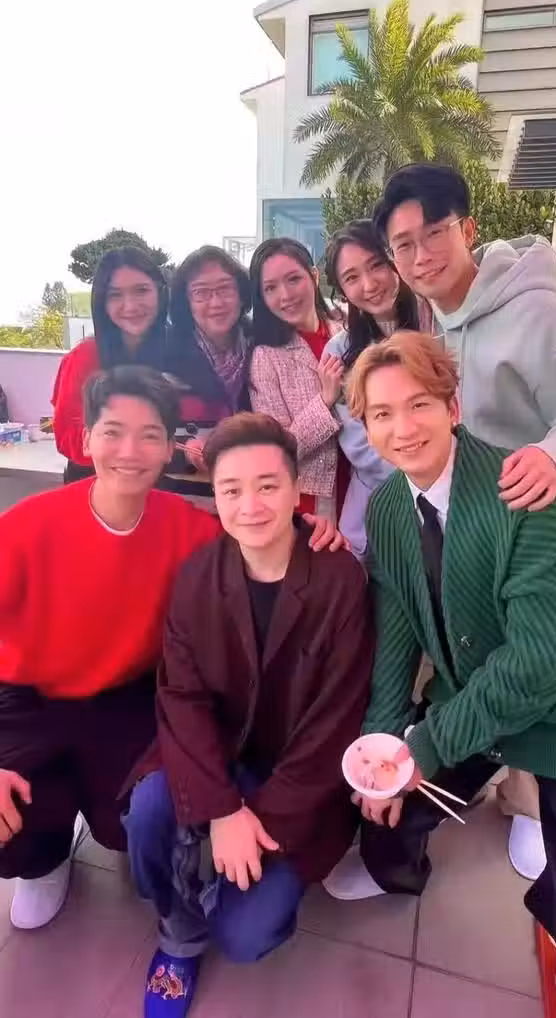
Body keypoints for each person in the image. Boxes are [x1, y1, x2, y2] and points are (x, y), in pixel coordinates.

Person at [346, 330, 556, 1018]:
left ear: (453, 408)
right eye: (382, 413)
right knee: (380, 810)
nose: (402, 428)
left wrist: (426, 746)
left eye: (418, 404)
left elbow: (538, 662)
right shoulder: (389, 508)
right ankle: (399, 866)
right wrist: (386, 743)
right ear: (366, 428)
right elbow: (396, 631)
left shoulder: (521, 488)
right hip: (480, 699)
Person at [0, 368, 342, 934]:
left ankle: (94, 816)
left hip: (124, 698)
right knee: (13, 821)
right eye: (113, 432)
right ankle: (43, 860)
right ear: (86, 438)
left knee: (137, 824)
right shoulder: (26, 527)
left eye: (150, 435)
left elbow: (253, 530)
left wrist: (308, 528)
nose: (129, 451)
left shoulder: (185, 528)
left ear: (169, 448)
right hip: (23, 699)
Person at [372, 163, 556, 879]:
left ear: (468, 229)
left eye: (434, 233)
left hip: (543, 530)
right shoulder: (439, 316)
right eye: (403, 245)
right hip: (472, 530)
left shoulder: (532, 310)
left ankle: (530, 804)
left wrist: (554, 453)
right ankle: (492, 775)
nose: (421, 255)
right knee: (484, 661)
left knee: (544, 663)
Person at [123, 412, 373, 1018]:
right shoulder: (198, 576)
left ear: (296, 488)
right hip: (217, 757)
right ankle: (179, 933)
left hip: (297, 779)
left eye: (267, 486)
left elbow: (336, 722)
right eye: (232, 490)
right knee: (147, 814)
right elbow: (180, 695)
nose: (251, 506)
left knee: (245, 934)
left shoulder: (340, 579)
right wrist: (220, 809)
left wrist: (254, 821)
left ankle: (219, 882)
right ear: (215, 496)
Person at [324, 219, 425, 555]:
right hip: (375, 510)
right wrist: (421, 472)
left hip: (452, 500)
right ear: (342, 290)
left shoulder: (438, 325)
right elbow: (357, 442)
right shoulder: (340, 352)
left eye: (377, 265)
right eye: (352, 277)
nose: (369, 285)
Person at [52, 247, 169, 483]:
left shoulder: (178, 350)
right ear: (102, 302)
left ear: (161, 292)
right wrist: (130, 455)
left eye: (141, 290)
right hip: (95, 486)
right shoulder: (84, 357)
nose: (130, 305)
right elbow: (67, 438)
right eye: (115, 295)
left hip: (163, 485)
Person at [249, 238, 346, 520]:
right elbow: (278, 446)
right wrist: (323, 402)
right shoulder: (266, 357)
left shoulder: (347, 326)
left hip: (369, 478)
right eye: (270, 288)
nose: (285, 295)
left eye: (293, 279)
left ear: (313, 276)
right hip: (313, 498)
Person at [165, 246, 252, 504]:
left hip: (251, 503)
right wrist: (186, 453)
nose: (216, 303)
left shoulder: (262, 348)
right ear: (186, 303)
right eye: (201, 293)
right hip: (186, 505)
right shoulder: (164, 355)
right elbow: (144, 441)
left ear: (241, 295)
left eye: (225, 289)